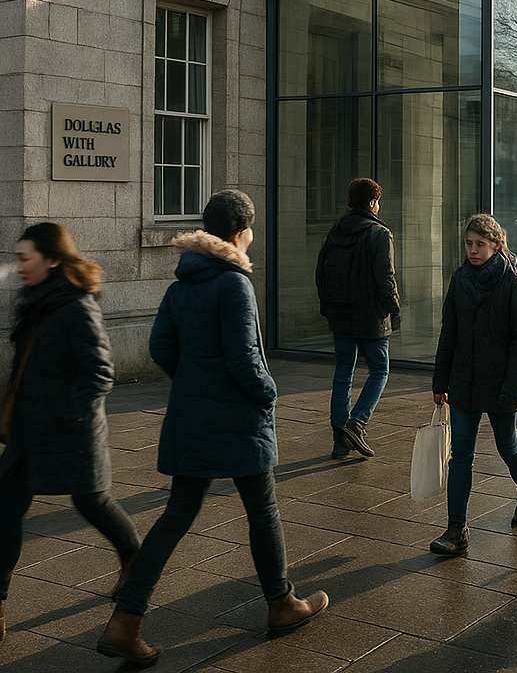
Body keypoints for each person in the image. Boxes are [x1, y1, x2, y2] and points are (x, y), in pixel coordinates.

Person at [97, 190, 327, 667]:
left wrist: (196, 381)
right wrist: (268, 392)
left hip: (193, 416)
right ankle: (281, 604)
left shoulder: (182, 284)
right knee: (262, 509)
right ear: (242, 234)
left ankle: (125, 621)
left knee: (177, 513)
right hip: (239, 418)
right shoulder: (234, 284)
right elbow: (245, 360)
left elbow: (161, 346)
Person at [0, 224, 141, 651]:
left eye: (25, 257)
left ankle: (135, 562)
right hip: (30, 434)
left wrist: (65, 415)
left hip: (70, 433)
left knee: (93, 502)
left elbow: (101, 374)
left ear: (52, 259)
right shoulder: (35, 303)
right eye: (17, 258)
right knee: (6, 513)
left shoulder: (76, 307)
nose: (19, 266)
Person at [429, 215, 517, 556]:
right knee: (460, 455)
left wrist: (515, 386)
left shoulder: (512, 281)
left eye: (479, 244)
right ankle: (456, 530)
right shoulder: (460, 279)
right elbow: (450, 331)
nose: (472, 250)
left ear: (496, 245)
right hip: (464, 381)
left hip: (501, 381)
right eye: (468, 244)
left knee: (507, 445)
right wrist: (440, 378)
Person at [315, 178, 400, 461]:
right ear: (372, 203)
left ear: (351, 202)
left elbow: (320, 272)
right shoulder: (379, 233)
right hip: (369, 317)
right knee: (379, 370)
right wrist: (395, 309)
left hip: (340, 315)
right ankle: (358, 422)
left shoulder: (336, 231)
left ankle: (340, 440)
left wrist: (327, 306)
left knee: (343, 373)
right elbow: (385, 279)